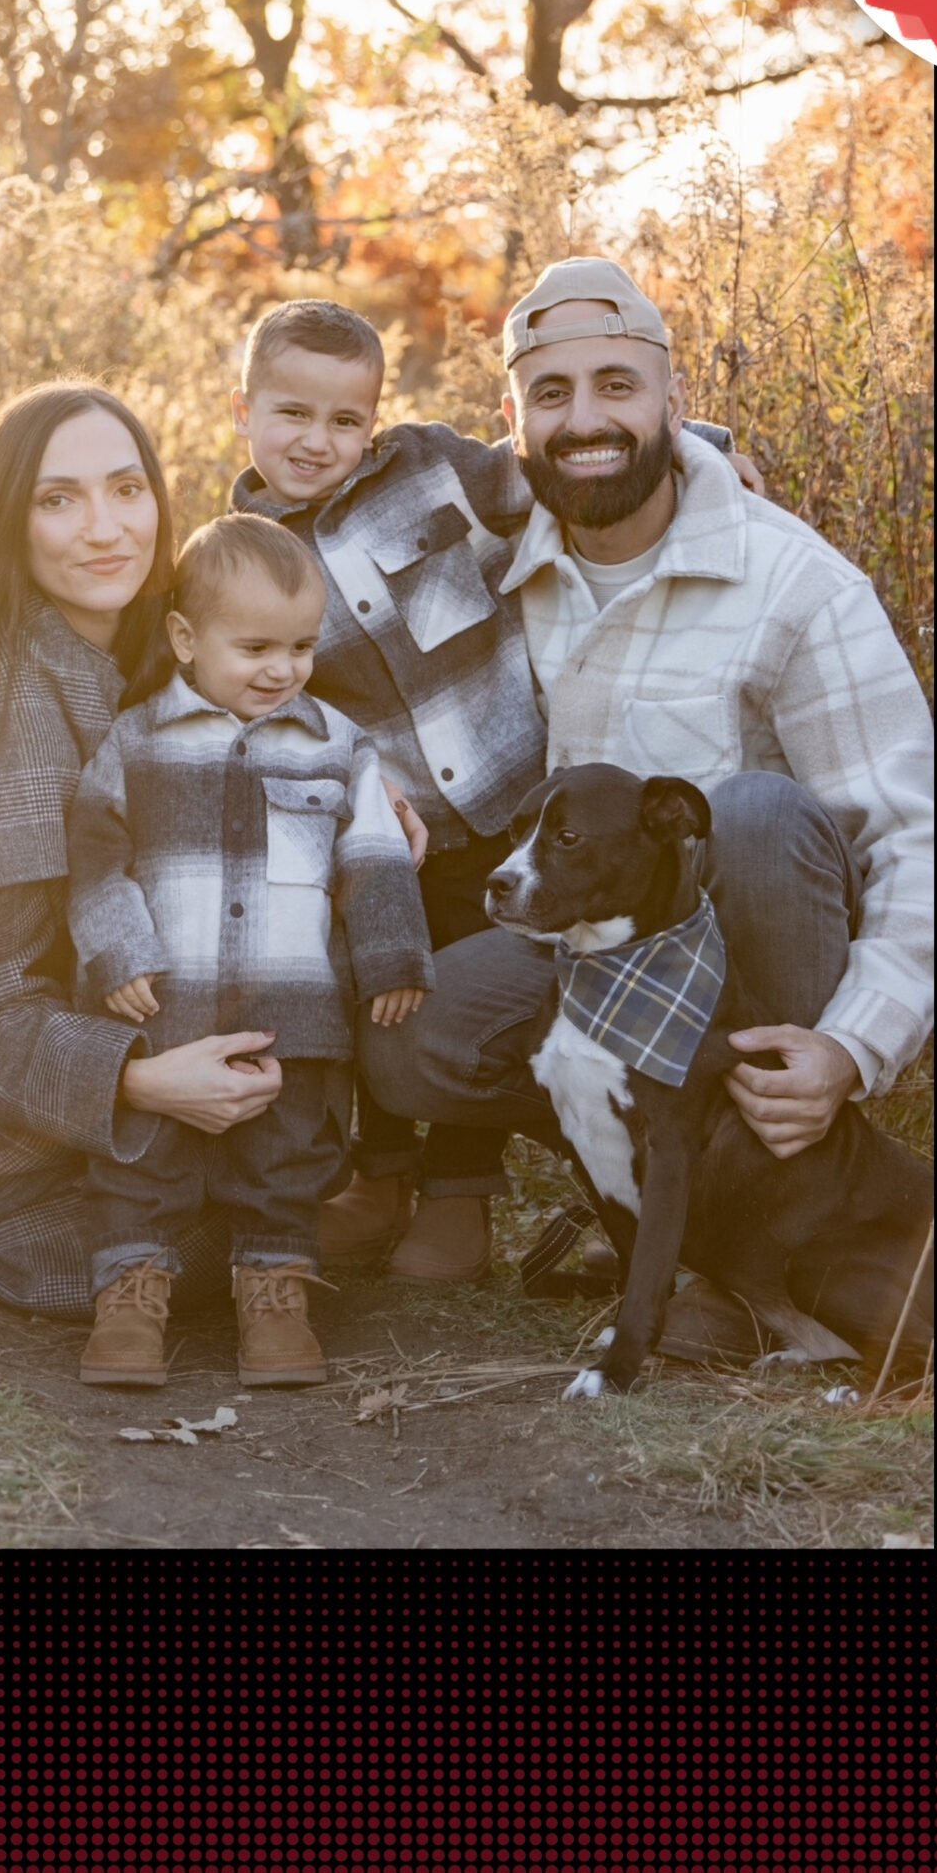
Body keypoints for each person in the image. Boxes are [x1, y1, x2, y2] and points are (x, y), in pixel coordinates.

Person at [354, 259, 934, 1349]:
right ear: (513, 425)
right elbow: (332, 553)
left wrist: (853, 1047)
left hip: (747, 978)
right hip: (584, 953)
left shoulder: (797, 585)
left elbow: (915, 838)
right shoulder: (486, 560)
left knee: (751, 814)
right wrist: (354, 770)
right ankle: (643, 1188)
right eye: (553, 393)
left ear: (674, 400)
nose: (585, 420)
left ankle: (766, 1216)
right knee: (408, 1041)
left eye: (618, 385)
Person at [224, 298, 762, 1283]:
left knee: (474, 990)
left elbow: (557, 468)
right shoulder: (246, 558)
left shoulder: (434, 471)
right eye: (291, 414)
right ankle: (377, 1179)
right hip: (398, 831)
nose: (316, 441)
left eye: (345, 419)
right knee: (384, 982)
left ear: (376, 419)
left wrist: (701, 453)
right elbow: (259, 700)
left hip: (520, 806)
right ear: (242, 411)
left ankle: (457, 1198)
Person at [0, 383, 288, 1319]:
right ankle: (50, 1230)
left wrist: (373, 792)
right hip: (14, 1095)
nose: (105, 529)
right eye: (58, 499)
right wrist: (145, 1082)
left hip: (111, 1018)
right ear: (10, 524)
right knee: (237, 1249)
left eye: (127, 488)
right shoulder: (16, 721)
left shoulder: (147, 643)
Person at [65, 515, 432, 1387]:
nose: (283, 669)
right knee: (142, 1162)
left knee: (286, 1161)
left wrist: (391, 954)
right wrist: (118, 952)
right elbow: (95, 857)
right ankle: (130, 1295)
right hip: (165, 1012)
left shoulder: (338, 745)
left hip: (291, 1012)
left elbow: (373, 853)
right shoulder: (138, 741)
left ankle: (274, 1294)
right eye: (256, 647)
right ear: (186, 638)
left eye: (302, 646)